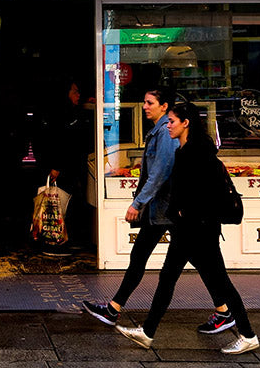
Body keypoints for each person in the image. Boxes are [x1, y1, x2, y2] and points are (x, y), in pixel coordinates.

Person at [82, 87, 234, 335]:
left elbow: (161, 173)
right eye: (144, 102)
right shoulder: (163, 130)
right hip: (163, 209)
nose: (144, 106)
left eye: (149, 102)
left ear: (164, 107)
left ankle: (226, 313)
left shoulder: (165, 131)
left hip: (167, 210)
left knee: (193, 263)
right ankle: (114, 309)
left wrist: (137, 203)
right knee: (144, 257)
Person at [115, 102, 260, 355]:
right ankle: (148, 332)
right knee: (168, 278)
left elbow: (203, 194)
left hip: (199, 230)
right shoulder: (185, 151)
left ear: (186, 123)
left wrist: (184, 212)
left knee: (220, 283)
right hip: (188, 228)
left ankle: (248, 335)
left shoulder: (198, 153)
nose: (167, 125)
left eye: (171, 121)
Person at [33, 79, 94, 251]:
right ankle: (58, 240)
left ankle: (62, 239)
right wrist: (56, 166)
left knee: (65, 203)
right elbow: (59, 141)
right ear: (65, 94)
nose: (78, 94)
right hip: (62, 168)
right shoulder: (59, 113)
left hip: (68, 167)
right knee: (62, 204)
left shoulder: (71, 112)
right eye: (74, 91)